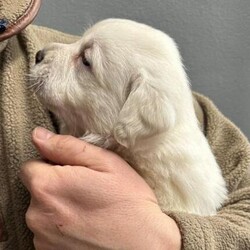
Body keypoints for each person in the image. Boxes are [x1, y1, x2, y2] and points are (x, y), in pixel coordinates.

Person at [0, 0, 249, 249]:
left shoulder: (190, 121)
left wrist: (163, 240)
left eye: (85, 60)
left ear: (138, 114)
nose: (46, 52)